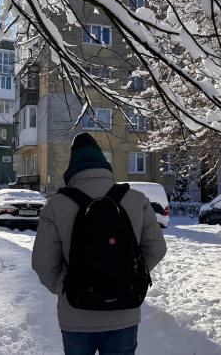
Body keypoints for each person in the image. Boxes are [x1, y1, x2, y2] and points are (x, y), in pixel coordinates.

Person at [32, 133, 167, 355]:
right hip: (124, 312)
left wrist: (65, 287)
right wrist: (132, 274)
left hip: (76, 314)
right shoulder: (136, 200)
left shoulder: (55, 206)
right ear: (104, 164)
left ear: (72, 166)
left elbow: (42, 263)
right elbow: (157, 249)